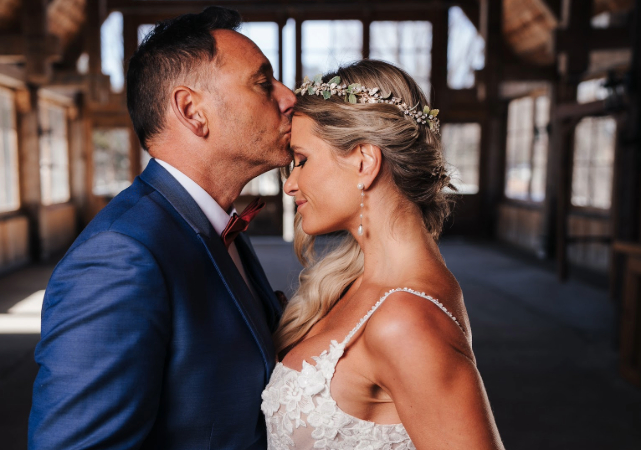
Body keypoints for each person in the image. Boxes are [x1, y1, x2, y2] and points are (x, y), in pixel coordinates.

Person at [28, 7, 295, 450]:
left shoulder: (214, 223)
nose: (289, 98)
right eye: (264, 83)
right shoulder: (120, 256)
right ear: (192, 111)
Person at [261, 60, 505, 450]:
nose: (290, 184)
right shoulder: (354, 281)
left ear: (364, 161)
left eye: (302, 160)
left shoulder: (407, 321)